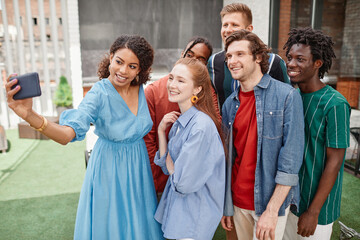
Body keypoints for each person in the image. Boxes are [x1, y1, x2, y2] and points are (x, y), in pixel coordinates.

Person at [6, 35, 164, 239]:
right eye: (119, 62)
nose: (123, 71)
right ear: (110, 57)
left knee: (138, 222)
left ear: (140, 70)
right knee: (111, 226)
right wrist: (29, 115)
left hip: (138, 166)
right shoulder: (98, 94)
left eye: (132, 66)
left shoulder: (139, 88)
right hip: (109, 168)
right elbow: (66, 135)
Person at [221, 30, 304, 240]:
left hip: (267, 202)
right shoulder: (229, 104)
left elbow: (291, 161)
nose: (232, 61)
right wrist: (227, 205)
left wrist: (271, 210)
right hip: (238, 202)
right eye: (229, 56)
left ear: (257, 57)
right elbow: (228, 160)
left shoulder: (287, 96)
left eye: (240, 54)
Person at [282, 27, 351, 240]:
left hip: (316, 209)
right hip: (287, 202)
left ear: (317, 63)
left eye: (300, 59)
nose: (291, 64)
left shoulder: (335, 104)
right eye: (290, 57)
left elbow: (334, 162)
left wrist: (313, 212)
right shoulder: (290, 97)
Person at [153, 58, 226, 240]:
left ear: (197, 89)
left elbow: (182, 183)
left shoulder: (200, 127)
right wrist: (161, 131)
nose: (172, 85)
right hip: (181, 214)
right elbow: (167, 167)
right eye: (171, 78)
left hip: (194, 219)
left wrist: (171, 165)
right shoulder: (181, 122)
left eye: (181, 80)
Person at [144, 36, 220, 197]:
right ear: (182, 54)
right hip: (161, 179)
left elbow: (212, 135)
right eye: (189, 55)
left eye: (201, 59)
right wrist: (158, 179)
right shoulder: (153, 91)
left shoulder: (206, 97)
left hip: (191, 184)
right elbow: (148, 140)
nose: (193, 61)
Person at [207, 2, 290, 110]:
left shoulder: (273, 62)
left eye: (235, 25)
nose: (228, 30)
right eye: (225, 25)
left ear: (249, 29)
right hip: (228, 125)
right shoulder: (213, 62)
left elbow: (288, 101)